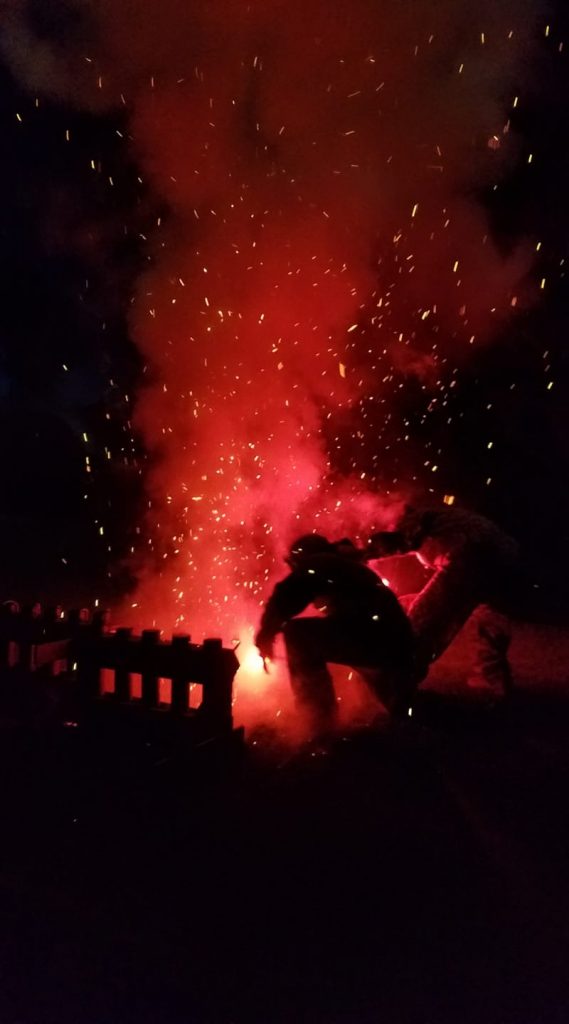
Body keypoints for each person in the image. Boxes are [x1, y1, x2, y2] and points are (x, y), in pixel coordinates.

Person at [255, 534, 415, 731]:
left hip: (379, 640)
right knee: (400, 708)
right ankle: (404, 713)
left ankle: (318, 723)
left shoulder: (318, 562)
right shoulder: (346, 568)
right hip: (395, 643)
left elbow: (287, 595)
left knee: (298, 635)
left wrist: (265, 633)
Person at [367, 504, 519, 695]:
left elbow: (401, 541)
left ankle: (398, 683)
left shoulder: (413, 520)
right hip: (502, 558)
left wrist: (363, 554)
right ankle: (493, 684)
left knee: (422, 619)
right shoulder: (442, 519)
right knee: (486, 621)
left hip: (469, 558)